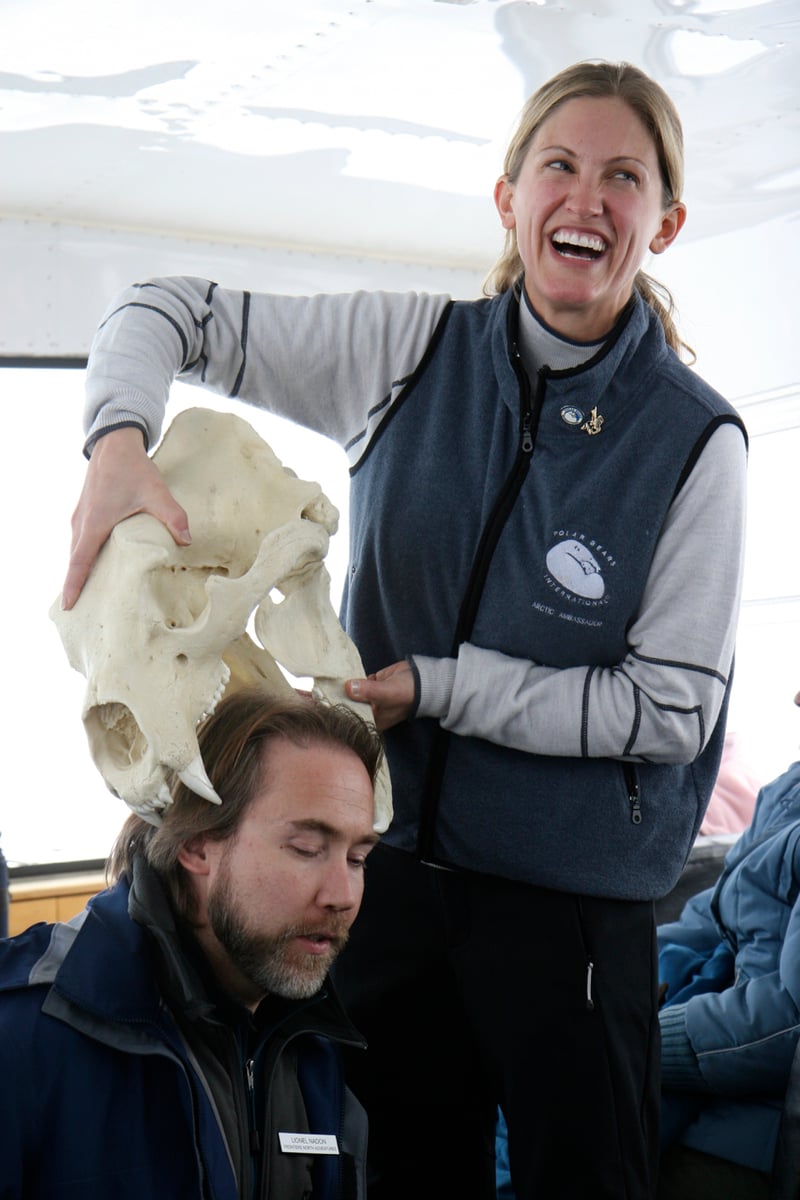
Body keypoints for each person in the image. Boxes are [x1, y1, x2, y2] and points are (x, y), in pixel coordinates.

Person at [59, 60, 748, 1199]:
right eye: (558, 167)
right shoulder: (406, 352)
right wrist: (116, 442)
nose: (586, 197)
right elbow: (160, 307)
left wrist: (438, 687)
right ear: (507, 197)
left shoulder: (693, 441)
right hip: (384, 885)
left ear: (662, 222)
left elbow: (666, 710)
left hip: (569, 916)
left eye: (622, 178)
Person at [0, 687, 383, 1199]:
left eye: (357, 859)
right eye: (307, 849)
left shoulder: (318, 1044)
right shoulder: (24, 1031)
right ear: (196, 844)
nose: (342, 896)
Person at [656, 687, 800, 1200]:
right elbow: (712, 914)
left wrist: (641, 1040)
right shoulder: (790, 789)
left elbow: (786, 1023)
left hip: (747, 1136)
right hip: (699, 1093)